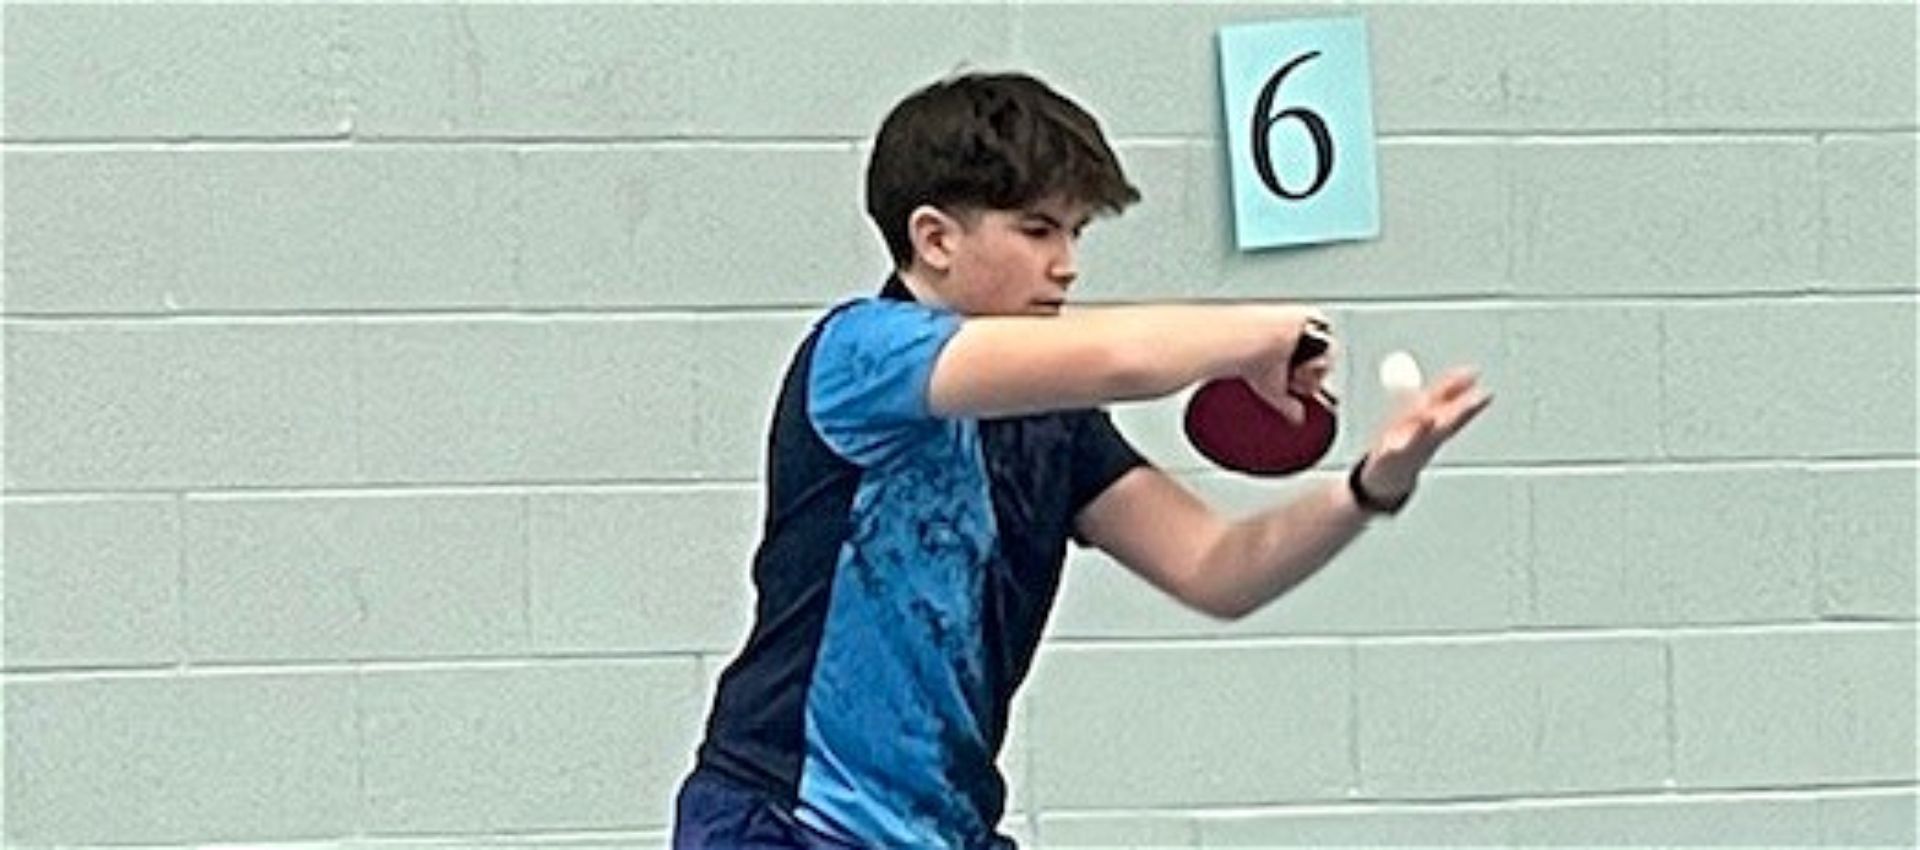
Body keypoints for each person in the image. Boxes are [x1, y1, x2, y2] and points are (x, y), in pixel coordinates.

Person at [673, 71, 1491, 850]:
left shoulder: (1052, 425)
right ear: (934, 238)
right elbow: (1125, 358)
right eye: (1037, 230)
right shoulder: (860, 355)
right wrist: (1268, 330)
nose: (1066, 263)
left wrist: (1369, 487)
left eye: (1075, 232)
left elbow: (1217, 568)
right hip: (783, 818)